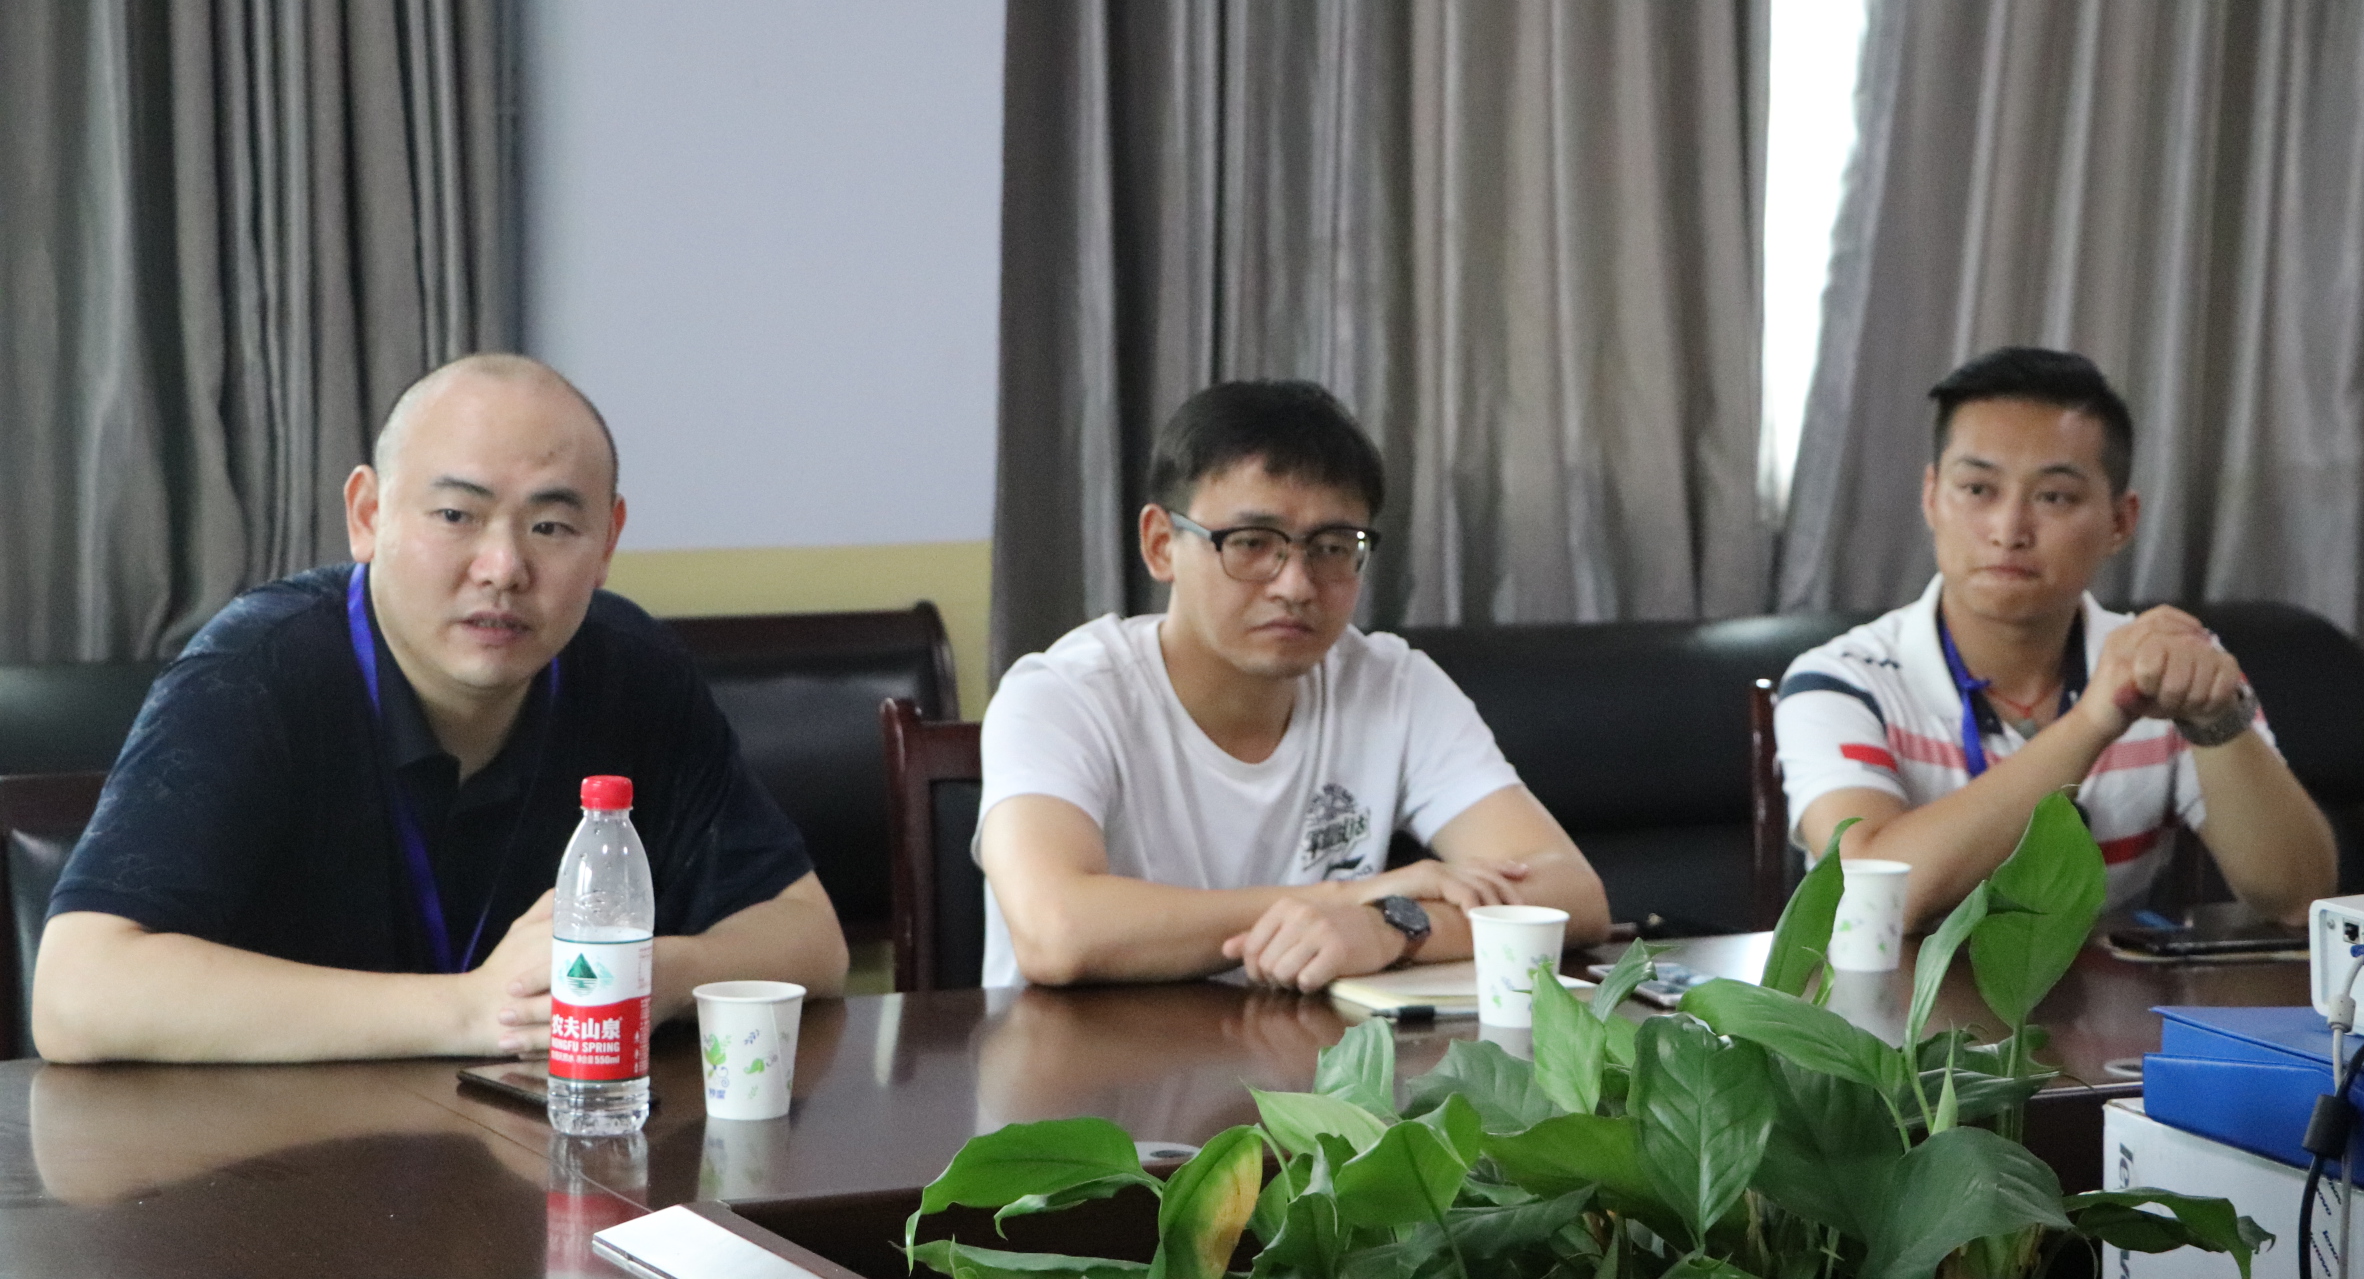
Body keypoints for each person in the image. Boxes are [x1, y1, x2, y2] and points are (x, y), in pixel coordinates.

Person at [33, 354, 848, 1063]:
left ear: (607, 542)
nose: (503, 567)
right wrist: (471, 1010)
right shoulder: (257, 672)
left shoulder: (631, 670)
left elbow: (809, 936)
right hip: (271, 1167)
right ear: (368, 515)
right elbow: (76, 994)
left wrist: (657, 975)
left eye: (552, 525)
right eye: (456, 515)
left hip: (531, 1158)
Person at [976, 379, 1610, 990]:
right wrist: (1345, 897)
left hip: (1309, 1059)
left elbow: (1570, 892)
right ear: (1162, 544)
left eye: (1332, 547)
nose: (1296, 585)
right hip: (1089, 1059)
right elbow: (1056, 930)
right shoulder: (1061, 696)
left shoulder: (1392, 685)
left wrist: (1390, 927)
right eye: (1252, 543)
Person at [1775, 347, 2336, 929]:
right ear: (1931, 496)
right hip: (1895, 990)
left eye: (2054, 497)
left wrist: (2217, 721)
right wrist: (2093, 722)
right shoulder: (1841, 680)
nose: (2008, 530)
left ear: (2121, 521)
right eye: (1978, 489)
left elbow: (2298, 897)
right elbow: (1866, 900)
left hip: (2105, 988)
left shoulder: (2164, 665)